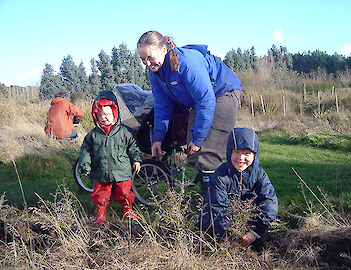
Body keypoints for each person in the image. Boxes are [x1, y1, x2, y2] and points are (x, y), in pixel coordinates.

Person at [137, 30, 242, 194]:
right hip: (201, 101)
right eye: (143, 59)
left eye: (150, 57)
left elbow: (206, 100)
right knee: (194, 152)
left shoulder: (185, 63)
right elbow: (162, 105)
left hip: (223, 92)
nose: (147, 63)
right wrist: (158, 138)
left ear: (164, 49)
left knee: (206, 152)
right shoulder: (155, 72)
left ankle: (216, 205)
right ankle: (208, 197)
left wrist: (199, 138)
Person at [198, 128, 278, 250]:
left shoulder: (259, 175)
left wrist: (254, 232)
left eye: (247, 153)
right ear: (229, 152)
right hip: (221, 226)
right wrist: (229, 238)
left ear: (255, 155)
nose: (241, 158)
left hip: (249, 224)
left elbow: (269, 202)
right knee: (207, 221)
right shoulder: (220, 176)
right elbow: (217, 209)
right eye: (236, 152)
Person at [77, 90, 142, 224]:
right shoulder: (93, 135)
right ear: (96, 116)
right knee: (100, 194)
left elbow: (133, 147)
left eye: (107, 114)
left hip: (121, 170)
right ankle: (100, 214)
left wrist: (136, 160)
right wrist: (85, 166)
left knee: (124, 192)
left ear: (114, 114)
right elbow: (85, 151)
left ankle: (128, 211)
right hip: (101, 171)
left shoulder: (124, 132)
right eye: (100, 115)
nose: (104, 117)